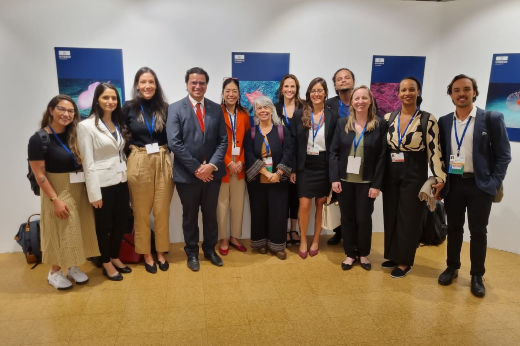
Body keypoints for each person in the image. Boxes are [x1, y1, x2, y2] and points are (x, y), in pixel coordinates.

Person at [437, 74, 511, 297]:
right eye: (457, 90)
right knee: (454, 228)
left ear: (474, 92)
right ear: (450, 94)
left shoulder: (491, 118)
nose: (461, 94)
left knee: (478, 231)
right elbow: (439, 155)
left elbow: (503, 156)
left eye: (466, 89)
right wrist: (439, 179)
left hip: (480, 186)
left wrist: (493, 183)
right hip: (454, 184)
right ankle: (452, 266)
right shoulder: (444, 121)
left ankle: (477, 274)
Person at [28, 95, 100, 289]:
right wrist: (54, 199)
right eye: (61, 109)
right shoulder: (39, 139)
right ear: (51, 110)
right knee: (63, 230)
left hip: (79, 188)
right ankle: (55, 272)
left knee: (79, 229)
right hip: (57, 189)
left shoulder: (75, 134)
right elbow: (39, 174)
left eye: (70, 111)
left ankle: (72, 267)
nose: (66, 114)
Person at [382, 76, 446, 278]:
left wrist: (439, 177)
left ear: (418, 92)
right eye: (403, 90)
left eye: (411, 89)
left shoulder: (428, 119)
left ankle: (404, 261)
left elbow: (435, 151)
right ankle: (393, 254)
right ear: (398, 93)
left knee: (409, 217)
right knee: (391, 213)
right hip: (390, 171)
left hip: (414, 172)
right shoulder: (388, 118)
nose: (407, 93)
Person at [166, 67, 228, 271]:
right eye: (194, 82)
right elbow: (175, 143)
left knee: (211, 214)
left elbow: (223, 141)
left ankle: (210, 250)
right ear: (186, 84)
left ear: (206, 85)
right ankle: (191, 252)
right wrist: (197, 168)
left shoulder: (216, 109)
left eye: (202, 83)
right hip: (187, 176)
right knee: (190, 215)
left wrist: (210, 166)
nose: (198, 86)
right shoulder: (175, 108)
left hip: (212, 175)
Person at [123, 67, 174, 274]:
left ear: (156, 84)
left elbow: (173, 135)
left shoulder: (165, 107)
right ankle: (146, 253)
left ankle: (161, 251)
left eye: (151, 82)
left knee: (162, 211)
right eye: (143, 82)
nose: (147, 86)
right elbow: (123, 135)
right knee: (141, 212)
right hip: (139, 159)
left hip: (162, 159)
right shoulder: (128, 107)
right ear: (137, 85)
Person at [78, 83, 131, 281]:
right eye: (106, 98)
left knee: (120, 223)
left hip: (121, 180)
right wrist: (94, 194)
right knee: (104, 226)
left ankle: (115, 256)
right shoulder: (86, 126)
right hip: (102, 185)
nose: (110, 102)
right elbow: (88, 163)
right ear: (97, 100)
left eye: (114, 98)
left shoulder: (118, 123)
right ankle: (106, 262)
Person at [330, 86, 387, 271]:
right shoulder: (342, 123)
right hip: (345, 181)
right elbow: (334, 152)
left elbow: (381, 157)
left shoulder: (379, 124)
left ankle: (363, 253)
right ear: (352, 102)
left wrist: (377, 184)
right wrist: (334, 179)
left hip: (366, 183)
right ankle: (350, 253)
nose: (360, 101)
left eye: (364, 98)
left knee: (363, 218)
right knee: (347, 218)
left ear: (370, 100)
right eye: (357, 98)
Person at [292, 77, 339, 259]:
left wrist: (334, 172)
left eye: (320, 90)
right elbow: (295, 145)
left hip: (324, 166)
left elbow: (335, 148)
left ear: (325, 93)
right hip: (305, 166)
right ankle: (303, 239)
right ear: (308, 94)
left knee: (321, 204)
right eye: (313, 91)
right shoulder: (299, 114)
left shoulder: (333, 116)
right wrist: (294, 170)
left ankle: (316, 239)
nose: (316, 94)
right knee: (304, 205)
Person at [244, 96, 293, 260]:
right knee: (258, 211)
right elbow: (249, 156)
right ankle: (261, 243)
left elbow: (288, 152)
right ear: (256, 112)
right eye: (259, 108)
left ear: (271, 109)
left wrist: (277, 174)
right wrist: (266, 173)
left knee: (278, 213)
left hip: (278, 180)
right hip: (258, 180)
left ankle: (277, 245)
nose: (263, 111)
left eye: (266, 107)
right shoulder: (251, 133)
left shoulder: (281, 130)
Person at [217, 78, 250, 255]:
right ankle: (222, 237)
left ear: (239, 94)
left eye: (234, 91)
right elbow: (214, 141)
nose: (231, 94)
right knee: (222, 204)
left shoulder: (244, 114)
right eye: (227, 91)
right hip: (223, 164)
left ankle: (234, 236)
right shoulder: (216, 112)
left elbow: (247, 141)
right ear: (223, 93)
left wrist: (241, 161)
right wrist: (229, 162)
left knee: (237, 204)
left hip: (240, 166)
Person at [325, 68, 356, 245]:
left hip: (358, 156)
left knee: (355, 201)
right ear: (335, 84)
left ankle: (355, 236)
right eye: (339, 79)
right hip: (336, 156)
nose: (343, 81)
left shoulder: (361, 101)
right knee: (336, 197)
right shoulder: (329, 104)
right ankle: (339, 231)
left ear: (353, 81)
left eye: (347, 78)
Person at [275, 74, 304, 245]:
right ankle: (284, 229)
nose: (289, 90)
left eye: (292, 87)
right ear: (281, 89)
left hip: (299, 158)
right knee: (282, 196)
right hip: (281, 158)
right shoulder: (275, 108)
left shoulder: (303, 107)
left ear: (297, 88)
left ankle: (294, 229)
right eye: (286, 86)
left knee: (296, 195)